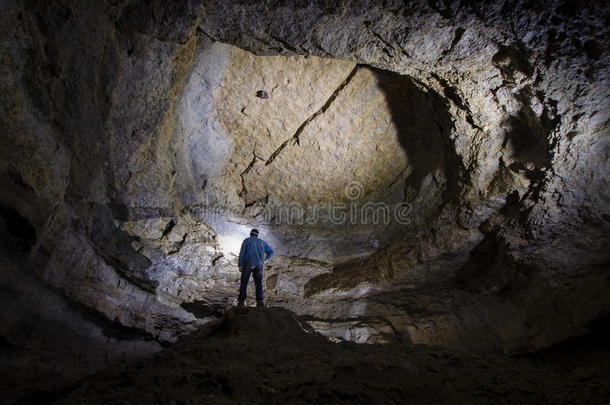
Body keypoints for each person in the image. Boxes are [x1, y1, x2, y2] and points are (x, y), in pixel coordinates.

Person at [237, 229, 273, 308]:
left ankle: (241, 301)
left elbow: (242, 253)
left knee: (244, 282)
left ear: (250, 234)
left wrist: (240, 265)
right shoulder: (262, 242)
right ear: (257, 235)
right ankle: (259, 302)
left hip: (248, 263)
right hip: (259, 265)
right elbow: (271, 252)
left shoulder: (247, 240)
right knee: (258, 283)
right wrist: (266, 260)